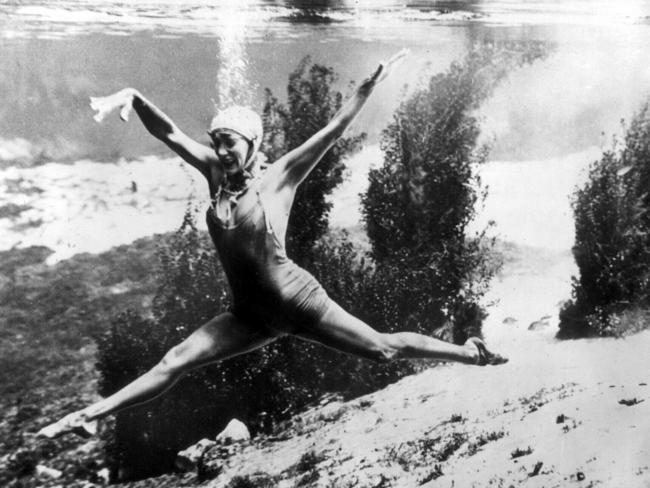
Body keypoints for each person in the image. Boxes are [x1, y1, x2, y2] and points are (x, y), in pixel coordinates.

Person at [38, 50, 506, 439]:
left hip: (301, 303)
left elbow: (333, 130)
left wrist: (369, 85)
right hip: (248, 317)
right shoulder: (216, 173)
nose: (221, 152)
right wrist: (134, 97)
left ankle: (469, 352)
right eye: (216, 142)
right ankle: (89, 416)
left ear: (254, 144)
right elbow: (167, 132)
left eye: (231, 144)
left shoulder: (280, 177)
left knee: (383, 350)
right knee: (174, 361)